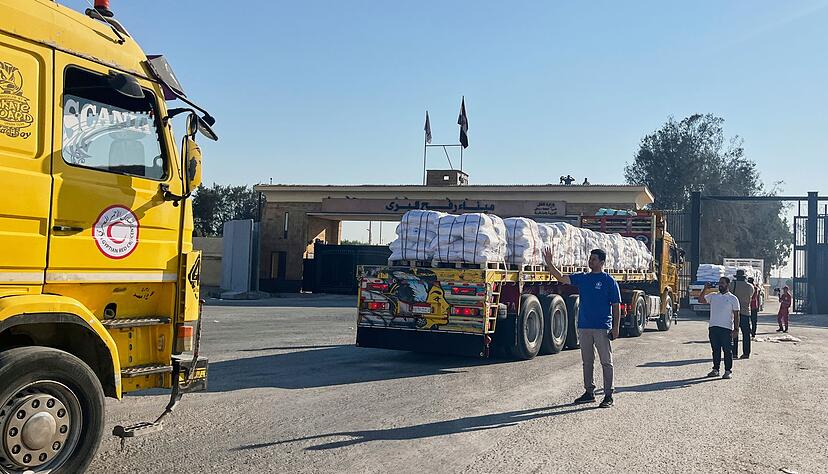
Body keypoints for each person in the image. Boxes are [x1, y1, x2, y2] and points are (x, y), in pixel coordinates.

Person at [544, 247, 621, 408]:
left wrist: (615, 327)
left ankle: (608, 395)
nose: (590, 261)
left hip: (602, 327)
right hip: (584, 326)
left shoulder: (609, 281)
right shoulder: (583, 278)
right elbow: (562, 278)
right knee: (587, 361)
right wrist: (550, 263)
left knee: (606, 362)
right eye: (590, 258)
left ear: (602, 262)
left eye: (594, 259)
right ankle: (589, 392)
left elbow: (616, 305)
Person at [697, 277, 740, 379]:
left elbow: (736, 315)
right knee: (715, 350)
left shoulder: (733, 298)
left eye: (722, 283)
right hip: (713, 327)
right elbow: (700, 300)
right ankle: (715, 369)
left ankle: (728, 371)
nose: (720, 285)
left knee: (727, 351)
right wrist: (705, 289)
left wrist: (736, 329)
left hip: (726, 329)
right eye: (719, 283)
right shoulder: (713, 296)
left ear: (727, 285)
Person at [730, 270, 754, 359]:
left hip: (735, 312)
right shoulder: (750, 286)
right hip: (746, 312)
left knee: (734, 333)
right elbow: (751, 296)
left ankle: (734, 353)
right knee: (746, 334)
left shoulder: (732, 285)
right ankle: (746, 353)